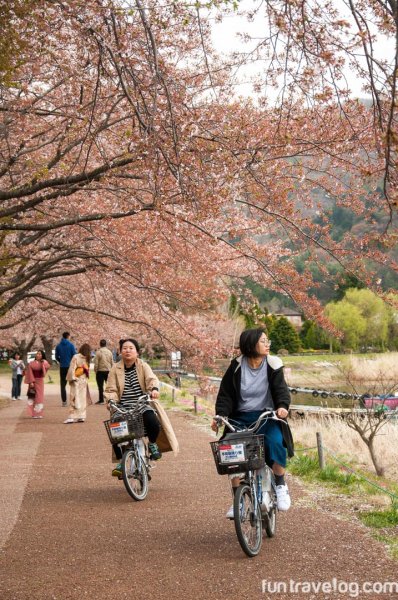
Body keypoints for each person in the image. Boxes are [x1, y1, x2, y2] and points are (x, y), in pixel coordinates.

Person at [212, 327, 294, 517]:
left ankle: (280, 484)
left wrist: (282, 406)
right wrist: (220, 416)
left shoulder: (273, 364)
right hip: (240, 417)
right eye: (263, 341)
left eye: (268, 341)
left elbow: (281, 390)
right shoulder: (236, 366)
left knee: (275, 442)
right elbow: (225, 395)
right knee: (229, 450)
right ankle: (238, 501)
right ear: (251, 344)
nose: (267, 345)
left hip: (266, 415)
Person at [104, 338, 178, 478]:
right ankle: (121, 462)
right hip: (122, 406)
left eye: (131, 348)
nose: (127, 350)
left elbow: (152, 379)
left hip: (141, 403)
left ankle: (152, 443)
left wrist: (154, 389)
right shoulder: (115, 368)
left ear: (137, 352)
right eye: (124, 348)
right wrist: (111, 401)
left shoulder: (143, 366)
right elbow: (111, 388)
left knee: (153, 421)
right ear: (120, 351)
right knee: (115, 430)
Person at [63, 344, 92, 424]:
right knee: (82, 398)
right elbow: (87, 369)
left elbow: (72, 368)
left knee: (74, 398)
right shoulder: (88, 358)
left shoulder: (76, 357)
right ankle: (82, 416)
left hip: (76, 379)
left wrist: (72, 378)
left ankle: (71, 417)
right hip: (83, 380)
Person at [24, 350, 50, 418]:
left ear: (42, 356)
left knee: (39, 397)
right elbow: (29, 373)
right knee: (33, 396)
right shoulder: (31, 363)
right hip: (33, 380)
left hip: (40, 381)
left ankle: (39, 413)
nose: (38, 355)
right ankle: (33, 413)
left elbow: (47, 368)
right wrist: (31, 382)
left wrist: (43, 363)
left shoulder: (44, 362)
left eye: (40, 354)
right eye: (37, 354)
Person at [55, 332, 76, 407]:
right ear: (68, 336)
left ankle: (64, 402)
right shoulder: (71, 345)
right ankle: (74, 401)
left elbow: (56, 357)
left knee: (63, 384)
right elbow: (74, 356)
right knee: (73, 383)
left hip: (62, 366)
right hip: (70, 366)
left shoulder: (58, 346)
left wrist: (61, 361)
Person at [93, 339, 114, 404]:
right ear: (106, 344)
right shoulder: (109, 352)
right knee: (109, 386)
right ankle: (110, 399)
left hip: (100, 371)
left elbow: (96, 363)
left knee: (100, 386)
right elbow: (112, 362)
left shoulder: (98, 352)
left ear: (100, 344)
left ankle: (101, 400)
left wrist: (95, 370)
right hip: (108, 370)